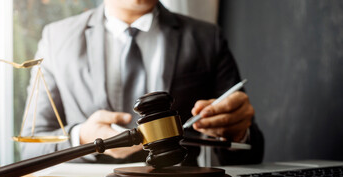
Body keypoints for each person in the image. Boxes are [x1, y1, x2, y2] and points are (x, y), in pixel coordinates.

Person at [20, 0, 264, 166]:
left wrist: (238, 132)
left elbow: (250, 154)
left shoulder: (206, 38)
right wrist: (82, 137)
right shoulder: (57, 38)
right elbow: (30, 148)